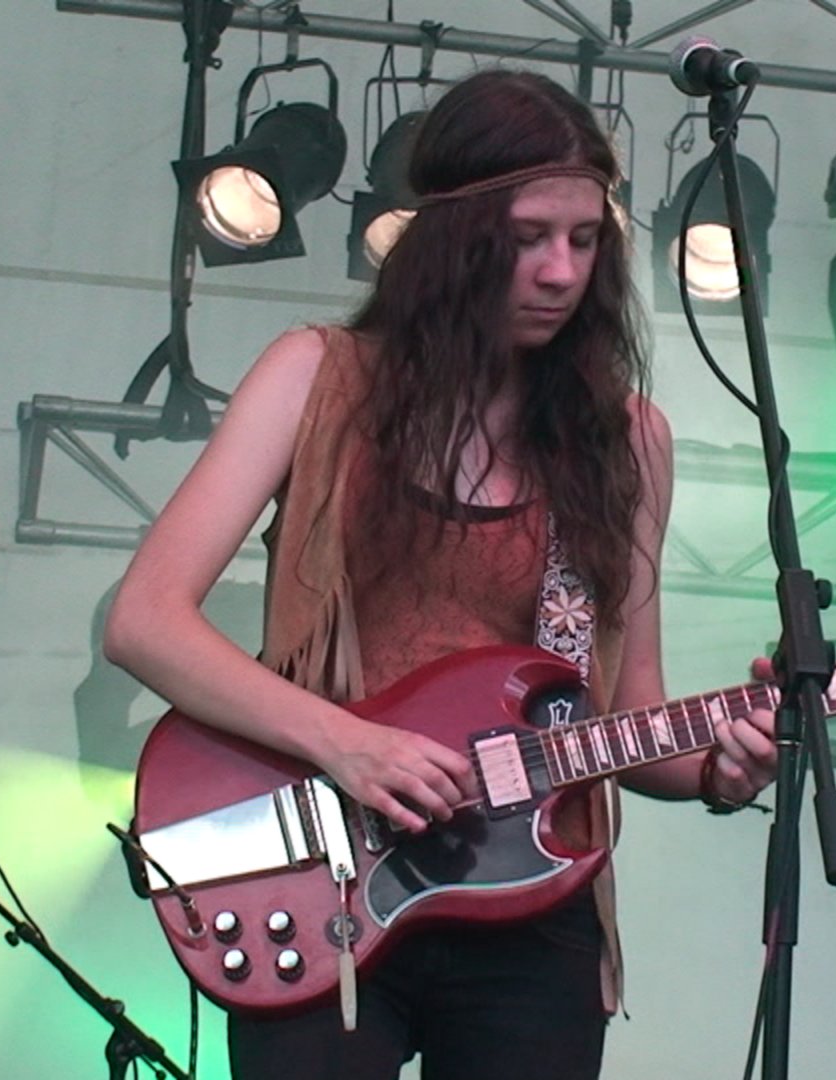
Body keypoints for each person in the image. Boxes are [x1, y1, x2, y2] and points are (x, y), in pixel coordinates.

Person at [104, 69, 778, 1080]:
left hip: (534, 906)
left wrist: (719, 771)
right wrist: (348, 744)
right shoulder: (317, 378)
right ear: (455, 237)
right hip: (329, 874)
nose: (561, 271)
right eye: (529, 237)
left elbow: (625, 714)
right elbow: (145, 620)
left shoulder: (627, 440)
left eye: (584, 240)